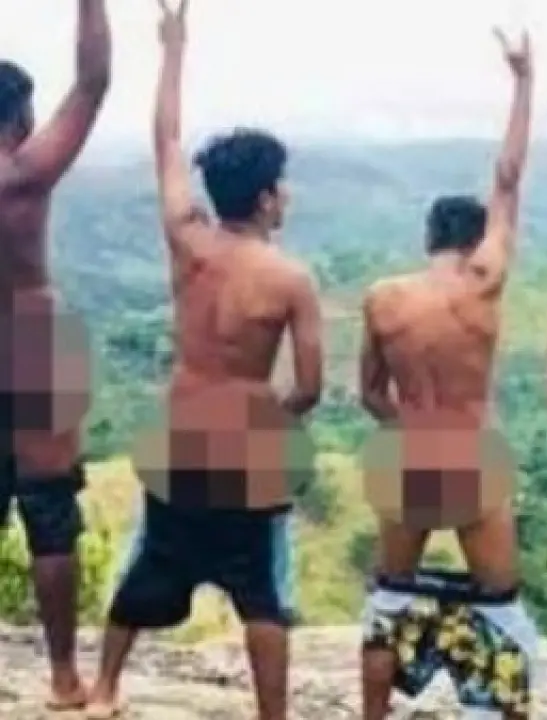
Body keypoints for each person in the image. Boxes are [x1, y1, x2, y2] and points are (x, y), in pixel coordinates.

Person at [86, 2, 324, 719]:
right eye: (283, 185)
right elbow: (310, 388)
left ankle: (102, 692)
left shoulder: (187, 241)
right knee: (261, 592)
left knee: (151, 563)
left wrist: (173, 50)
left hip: (182, 436)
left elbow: (165, 141)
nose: (288, 196)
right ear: (266, 197)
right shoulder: (291, 280)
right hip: (248, 448)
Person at [357, 27, 535, 720]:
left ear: (429, 237)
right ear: (476, 240)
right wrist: (523, 81)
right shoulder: (483, 284)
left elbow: (370, 392)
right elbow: (508, 180)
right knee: (502, 610)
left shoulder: (383, 297)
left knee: (389, 600)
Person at [0, 0, 111, 711]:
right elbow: (94, 80)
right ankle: (66, 677)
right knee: (50, 514)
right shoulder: (23, 173)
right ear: (20, 118)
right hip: (37, 339)